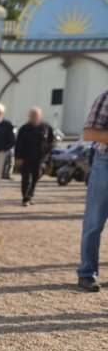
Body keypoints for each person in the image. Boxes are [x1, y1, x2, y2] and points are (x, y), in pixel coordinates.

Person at [77, 90, 108, 292]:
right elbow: (89, 133)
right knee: (94, 221)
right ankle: (87, 273)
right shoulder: (105, 98)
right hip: (105, 163)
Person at [14, 107, 55, 206]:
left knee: (36, 176)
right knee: (26, 178)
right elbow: (18, 143)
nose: (33, 117)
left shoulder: (46, 127)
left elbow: (51, 141)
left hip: (40, 158)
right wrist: (18, 157)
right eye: (32, 115)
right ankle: (25, 198)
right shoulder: (24, 128)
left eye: (35, 115)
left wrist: (48, 152)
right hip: (26, 158)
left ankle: (30, 195)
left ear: (39, 116)